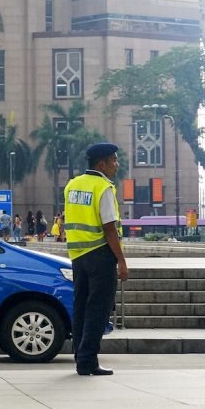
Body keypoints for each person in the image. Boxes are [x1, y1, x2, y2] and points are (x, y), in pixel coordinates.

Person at [63, 142, 129, 376]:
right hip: (101, 255)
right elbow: (109, 227)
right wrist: (121, 260)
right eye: (113, 160)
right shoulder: (103, 187)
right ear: (101, 163)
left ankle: (79, 357)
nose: (116, 165)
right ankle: (88, 360)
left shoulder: (72, 185)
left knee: (80, 307)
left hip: (78, 256)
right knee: (98, 310)